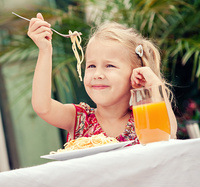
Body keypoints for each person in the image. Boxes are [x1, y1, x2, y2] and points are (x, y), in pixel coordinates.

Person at [27, 13, 177, 144]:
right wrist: (45, 50)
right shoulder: (79, 119)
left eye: (110, 66)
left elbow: (169, 134)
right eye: (91, 66)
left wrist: (154, 86)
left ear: (135, 73)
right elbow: (42, 106)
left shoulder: (145, 118)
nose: (97, 74)